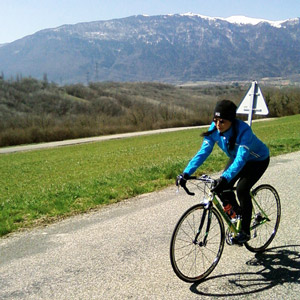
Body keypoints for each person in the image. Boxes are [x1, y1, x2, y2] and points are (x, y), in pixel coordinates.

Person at [177, 100, 270, 245]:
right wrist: (186, 173)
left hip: (257, 161)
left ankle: (245, 230)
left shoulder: (244, 131)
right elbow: (203, 152)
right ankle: (239, 214)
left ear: (231, 121)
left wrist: (225, 178)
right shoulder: (214, 129)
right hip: (237, 159)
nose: (218, 124)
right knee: (220, 188)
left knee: (242, 189)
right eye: (215, 120)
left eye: (222, 121)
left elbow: (241, 159)